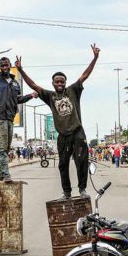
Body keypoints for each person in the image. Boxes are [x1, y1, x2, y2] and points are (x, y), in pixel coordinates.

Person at [15, 44, 100, 199]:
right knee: (63, 165)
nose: (60, 84)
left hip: (77, 132)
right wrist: (20, 70)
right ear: (53, 83)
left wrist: (95, 58)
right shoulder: (50, 96)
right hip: (63, 135)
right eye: (57, 82)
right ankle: (67, 192)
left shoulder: (73, 90)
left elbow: (85, 75)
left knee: (81, 162)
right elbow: (33, 85)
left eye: (62, 82)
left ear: (65, 83)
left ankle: (82, 190)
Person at [0, 57, 38, 182]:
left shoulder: (15, 83)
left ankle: (1, 176)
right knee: (1, 148)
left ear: (10, 66)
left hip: (10, 118)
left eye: (6, 65)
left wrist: (31, 96)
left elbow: (19, 99)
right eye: (2, 65)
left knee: (6, 148)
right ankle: (6, 175)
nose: (4, 67)